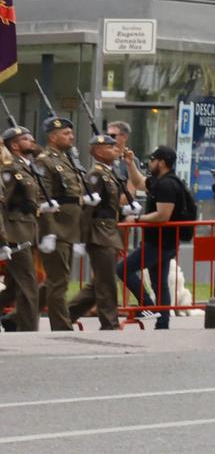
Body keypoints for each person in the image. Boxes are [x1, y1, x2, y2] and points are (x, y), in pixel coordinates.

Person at [119, 147, 190, 329]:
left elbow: (163, 215)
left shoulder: (167, 185)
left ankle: (148, 306)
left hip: (159, 243)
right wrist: (130, 164)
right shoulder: (160, 181)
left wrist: (136, 219)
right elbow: (139, 182)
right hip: (161, 242)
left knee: (123, 269)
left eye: (152, 160)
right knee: (160, 283)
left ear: (161, 162)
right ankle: (162, 322)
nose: (150, 163)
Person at [67, 135, 127, 329]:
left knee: (100, 281)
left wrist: (124, 211)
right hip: (99, 232)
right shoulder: (96, 174)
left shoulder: (110, 173)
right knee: (106, 281)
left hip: (109, 230)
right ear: (99, 151)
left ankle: (65, 315)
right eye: (110, 146)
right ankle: (109, 323)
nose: (115, 148)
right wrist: (81, 238)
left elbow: (110, 205)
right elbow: (88, 208)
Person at [34, 117, 85, 330]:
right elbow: (42, 197)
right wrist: (49, 231)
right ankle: (62, 327)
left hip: (71, 227)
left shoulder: (68, 159)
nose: (71, 137)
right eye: (66, 134)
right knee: (59, 282)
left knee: (58, 279)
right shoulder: (45, 160)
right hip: (57, 228)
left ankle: (17, 318)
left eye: (71, 133)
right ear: (52, 137)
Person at [1, 126, 50, 331]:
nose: (32, 141)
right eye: (26, 139)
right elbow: (3, 205)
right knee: (29, 285)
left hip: (28, 231)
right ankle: (30, 333)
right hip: (14, 234)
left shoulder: (27, 167)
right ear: (15, 145)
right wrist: (3, 239)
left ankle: (13, 321)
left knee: (13, 287)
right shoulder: (10, 169)